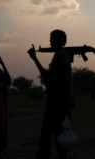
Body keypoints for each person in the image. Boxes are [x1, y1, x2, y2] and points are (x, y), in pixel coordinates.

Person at [27, 29, 74, 159]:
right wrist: (35, 59)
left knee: (57, 138)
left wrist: (65, 106)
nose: (51, 40)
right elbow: (48, 78)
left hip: (59, 104)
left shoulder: (63, 55)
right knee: (48, 136)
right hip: (54, 102)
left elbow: (66, 82)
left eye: (54, 38)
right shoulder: (58, 55)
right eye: (50, 38)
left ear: (62, 41)